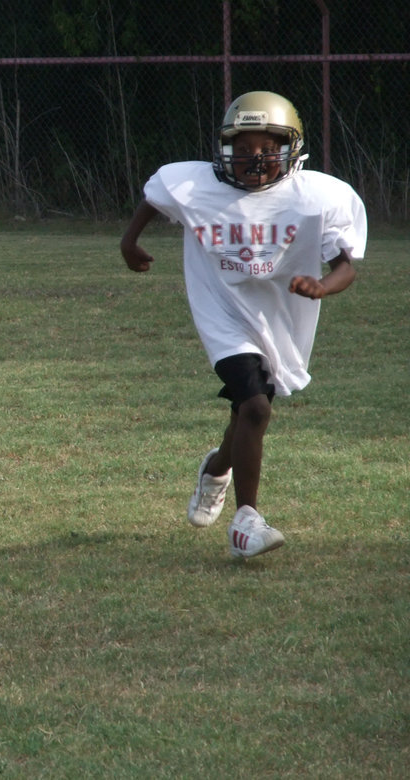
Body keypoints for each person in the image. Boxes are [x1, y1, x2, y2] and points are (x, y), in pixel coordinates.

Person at [120, 91, 367, 558]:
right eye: (244, 148)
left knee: (245, 411)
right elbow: (155, 197)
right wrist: (129, 241)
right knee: (255, 406)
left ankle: (216, 469)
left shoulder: (316, 196)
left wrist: (323, 285)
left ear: (290, 150)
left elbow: (346, 265)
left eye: (267, 148)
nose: (255, 159)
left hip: (277, 317)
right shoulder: (193, 185)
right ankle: (246, 524)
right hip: (221, 310)